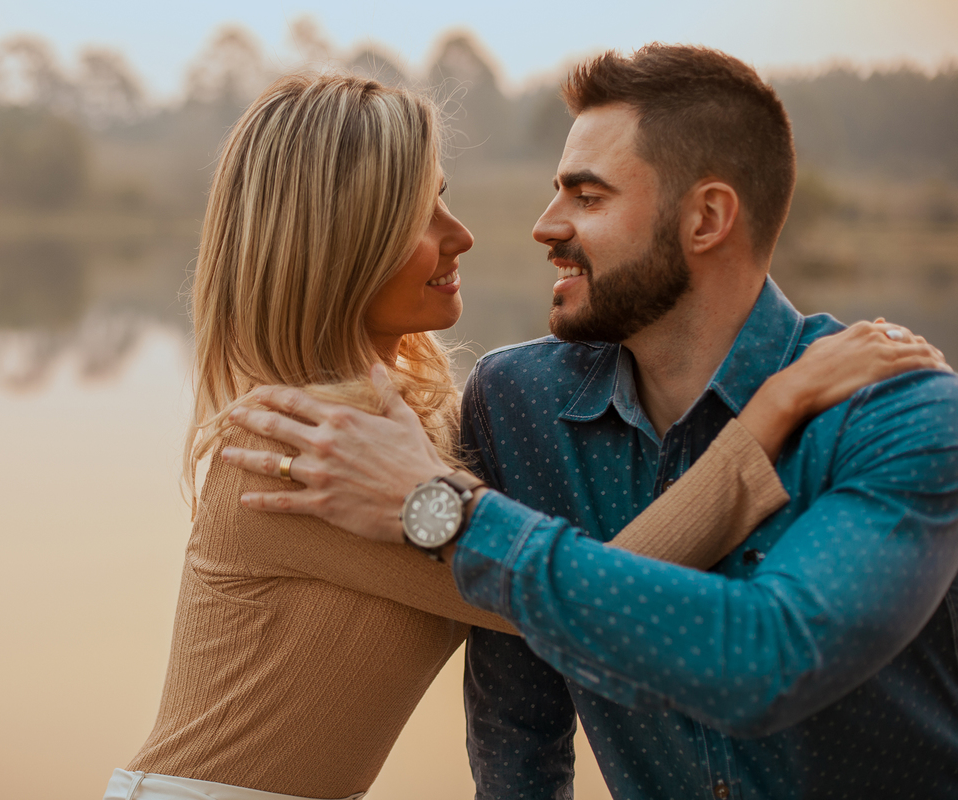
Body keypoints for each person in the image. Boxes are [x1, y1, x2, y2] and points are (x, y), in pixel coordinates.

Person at [222, 47, 958, 799]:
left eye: (588, 197)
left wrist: (442, 514)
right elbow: (520, 721)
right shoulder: (518, 401)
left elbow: (767, 661)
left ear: (707, 218)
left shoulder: (899, 407)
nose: (544, 226)